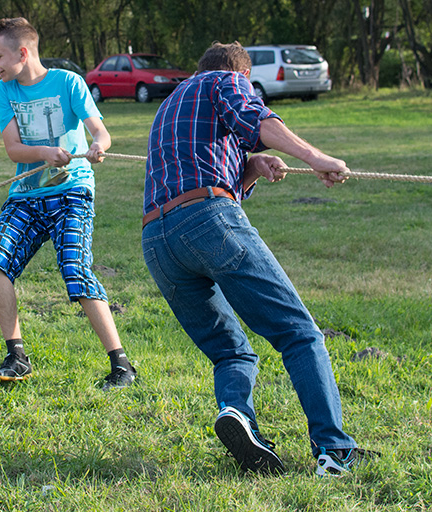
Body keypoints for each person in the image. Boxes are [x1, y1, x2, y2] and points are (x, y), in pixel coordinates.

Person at [141, 42, 376, 476]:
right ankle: (334, 451)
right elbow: (256, 118)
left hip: (157, 240)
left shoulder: (170, 102)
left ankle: (239, 416)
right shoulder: (227, 81)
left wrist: (251, 167)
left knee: (231, 352)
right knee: (300, 334)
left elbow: (202, 165)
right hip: (207, 221)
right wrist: (315, 157)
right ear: (243, 76)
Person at [0, 17, 136, 391]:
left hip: (72, 192)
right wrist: (44, 152)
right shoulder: (4, 92)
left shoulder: (68, 82)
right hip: (27, 195)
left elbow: (100, 130)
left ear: (23, 52)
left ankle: (122, 366)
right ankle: (16, 356)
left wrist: (99, 144)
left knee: (74, 268)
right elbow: (13, 149)